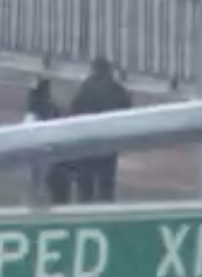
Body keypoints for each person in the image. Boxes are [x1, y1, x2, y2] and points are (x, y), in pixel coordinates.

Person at [68, 57, 132, 203]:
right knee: (106, 184)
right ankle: (106, 209)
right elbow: (127, 110)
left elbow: (73, 112)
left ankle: (86, 208)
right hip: (108, 142)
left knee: (85, 185)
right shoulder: (116, 89)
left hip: (86, 142)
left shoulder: (85, 88)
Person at [25, 76, 71, 205]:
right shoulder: (45, 105)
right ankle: (37, 193)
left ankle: (35, 194)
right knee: (39, 173)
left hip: (39, 143)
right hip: (43, 144)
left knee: (37, 173)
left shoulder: (37, 106)